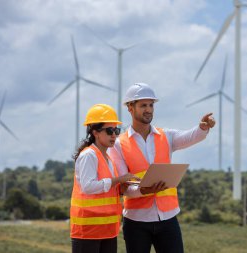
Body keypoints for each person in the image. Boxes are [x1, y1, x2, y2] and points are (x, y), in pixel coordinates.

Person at [109, 83, 216, 253]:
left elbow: (190, 136)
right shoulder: (118, 145)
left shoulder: (166, 136)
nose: (149, 110)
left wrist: (203, 127)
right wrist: (143, 190)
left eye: (151, 105)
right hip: (136, 221)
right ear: (130, 108)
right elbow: (124, 187)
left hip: (168, 218)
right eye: (143, 105)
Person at [70, 104, 139, 253]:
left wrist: (122, 187)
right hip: (87, 232)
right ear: (95, 132)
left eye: (116, 130)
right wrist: (118, 180)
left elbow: (106, 190)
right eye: (109, 131)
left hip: (107, 231)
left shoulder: (107, 158)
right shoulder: (89, 155)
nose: (114, 135)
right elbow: (88, 187)